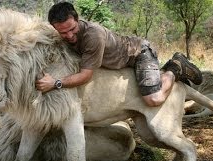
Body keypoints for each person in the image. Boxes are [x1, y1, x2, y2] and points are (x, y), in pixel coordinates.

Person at [35, 2, 202, 107]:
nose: (69, 36)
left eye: (72, 29)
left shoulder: (93, 35)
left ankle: (175, 67)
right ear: (55, 28)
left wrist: (55, 83)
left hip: (138, 53)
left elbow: (85, 75)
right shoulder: (59, 34)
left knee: (154, 99)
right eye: (63, 32)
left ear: (78, 19)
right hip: (117, 57)